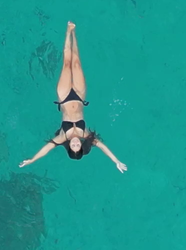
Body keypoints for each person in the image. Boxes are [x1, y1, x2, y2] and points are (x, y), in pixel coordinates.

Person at [20, 22, 127, 172]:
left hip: (64, 97)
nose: (76, 143)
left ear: (69, 146)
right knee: (76, 63)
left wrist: (32, 160)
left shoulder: (62, 137)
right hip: (79, 96)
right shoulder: (86, 135)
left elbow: (46, 149)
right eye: (78, 146)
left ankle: (67, 31)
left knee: (66, 64)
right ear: (82, 145)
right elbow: (103, 146)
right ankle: (74, 34)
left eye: (73, 146)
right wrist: (116, 161)